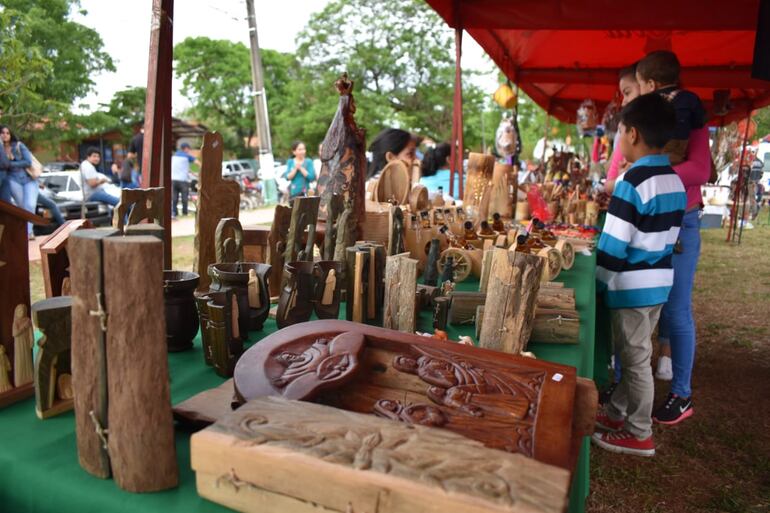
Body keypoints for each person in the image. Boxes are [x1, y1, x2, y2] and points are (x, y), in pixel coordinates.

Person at [592, 94, 686, 457]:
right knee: (638, 353)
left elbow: (614, 244)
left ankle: (639, 431)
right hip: (659, 284)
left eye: (619, 133)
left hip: (631, 287)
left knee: (634, 361)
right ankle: (617, 413)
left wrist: (599, 283)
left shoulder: (632, 181)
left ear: (631, 134)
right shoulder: (673, 181)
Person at [636, 51, 710, 424]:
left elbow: (701, 168)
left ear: (650, 84)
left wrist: (651, 174)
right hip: (651, 218)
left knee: (676, 309)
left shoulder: (690, 116)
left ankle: (681, 394)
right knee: (643, 302)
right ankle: (628, 383)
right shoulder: (651, 116)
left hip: (682, 220)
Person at [605, 64, 641, 195]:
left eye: (627, 93)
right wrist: (624, 177)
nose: (623, 102)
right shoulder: (625, 127)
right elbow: (610, 182)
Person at [0, 125, 38, 237]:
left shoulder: (18, 145)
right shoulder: (1, 148)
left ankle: (29, 232)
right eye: (2, 133)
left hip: (27, 179)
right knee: (22, 206)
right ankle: (26, 231)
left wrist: (10, 164)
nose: (5, 135)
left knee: (30, 205)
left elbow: (28, 162)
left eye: (7, 133)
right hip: (12, 179)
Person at [171, 143, 199, 218]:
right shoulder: (187, 156)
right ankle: (185, 213)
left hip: (173, 180)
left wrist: (193, 173)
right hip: (183, 180)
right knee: (184, 197)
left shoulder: (174, 156)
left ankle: (174, 212)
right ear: (186, 148)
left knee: (174, 197)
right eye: (189, 149)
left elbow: (184, 168)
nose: (189, 150)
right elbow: (197, 163)